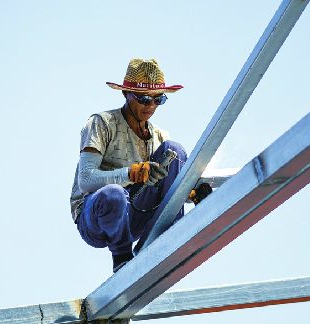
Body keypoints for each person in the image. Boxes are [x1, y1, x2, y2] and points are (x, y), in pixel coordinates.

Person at [70, 58, 211, 273]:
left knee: (175, 151)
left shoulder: (159, 136)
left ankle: (174, 234)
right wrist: (132, 174)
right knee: (114, 194)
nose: (151, 106)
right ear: (126, 94)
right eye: (144, 99)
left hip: (136, 213)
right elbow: (86, 181)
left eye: (158, 99)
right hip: (97, 219)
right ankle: (122, 256)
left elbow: (170, 175)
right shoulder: (102, 123)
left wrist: (189, 191)